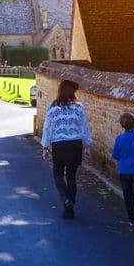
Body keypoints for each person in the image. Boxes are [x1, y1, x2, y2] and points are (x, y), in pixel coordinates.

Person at [41, 79, 92, 219]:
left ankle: (65, 198)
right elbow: (84, 127)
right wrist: (87, 146)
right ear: (72, 92)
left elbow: (47, 128)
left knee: (57, 174)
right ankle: (69, 209)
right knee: (71, 176)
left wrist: (45, 146)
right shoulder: (79, 107)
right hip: (75, 144)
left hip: (59, 145)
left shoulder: (53, 107)